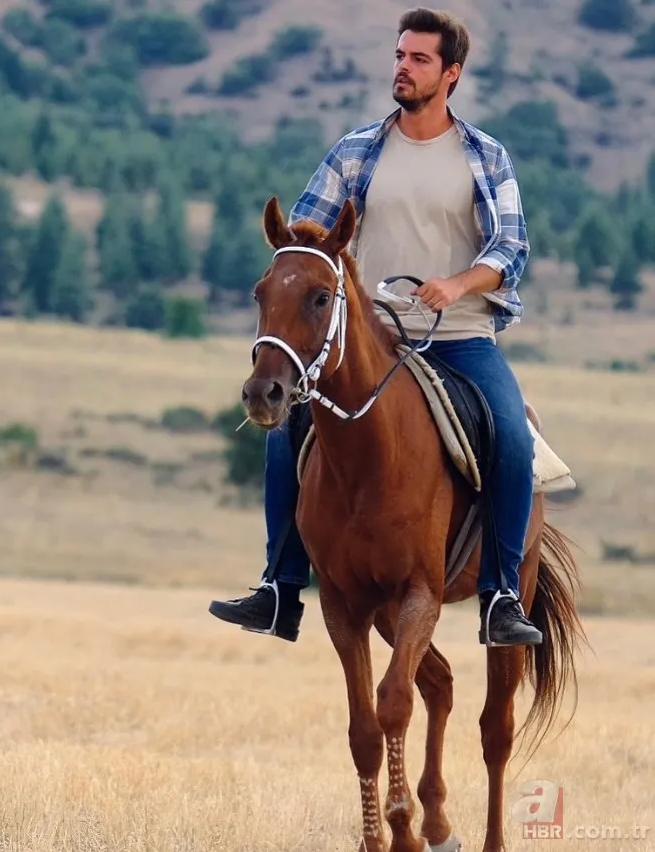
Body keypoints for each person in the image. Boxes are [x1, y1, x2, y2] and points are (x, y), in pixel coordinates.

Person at [209, 7, 542, 647]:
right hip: (372, 338)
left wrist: (457, 285)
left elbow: (509, 251)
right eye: (399, 56)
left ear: (451, 74)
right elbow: (307, 236)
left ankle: (500, 594)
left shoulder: (484, 156)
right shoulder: (358, 149)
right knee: (284, 436)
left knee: (513, 437)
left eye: (419, 60)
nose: (403, 68)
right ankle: (281, 588)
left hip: (460, 336)